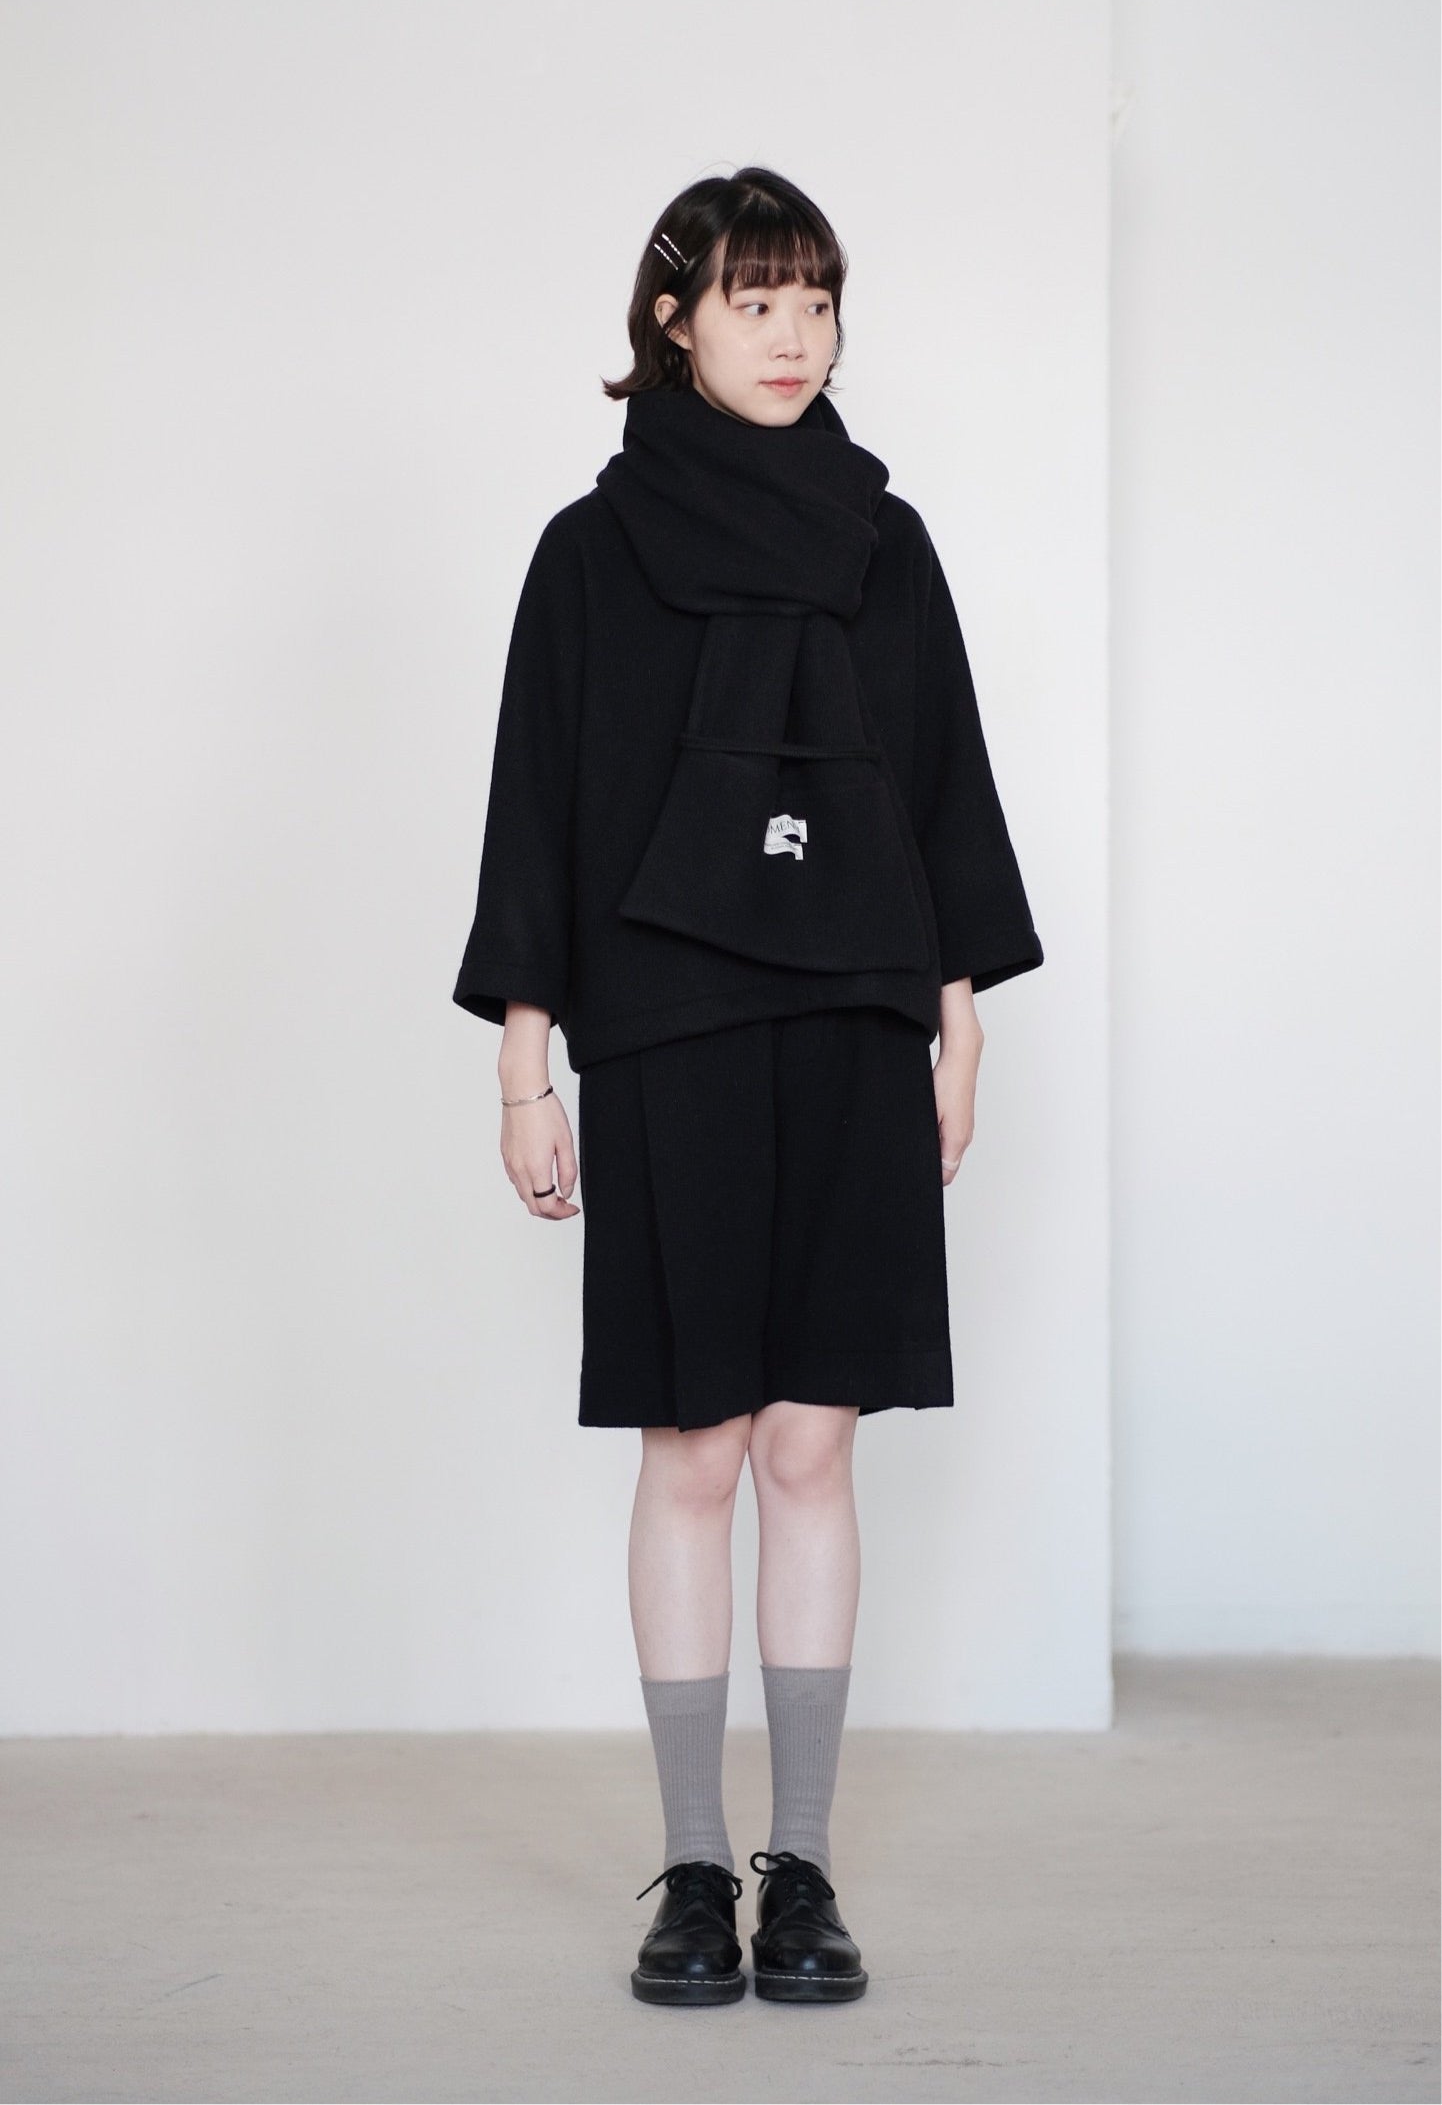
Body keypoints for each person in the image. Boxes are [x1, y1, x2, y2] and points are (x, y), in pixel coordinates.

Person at [452, 166, 1044, 2007]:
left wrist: (958, 1022)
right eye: (755, 300)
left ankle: (800, 1866)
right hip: (668, 1023)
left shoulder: (885, 540)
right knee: (697, 1444)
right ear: (673, 320)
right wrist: (525, 1067)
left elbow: (936, 778)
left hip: (853, 1018)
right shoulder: (589, 551)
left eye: (816, 301)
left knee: (810, 1443)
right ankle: (693, 1870)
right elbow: (537, 805)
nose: (794, 337)